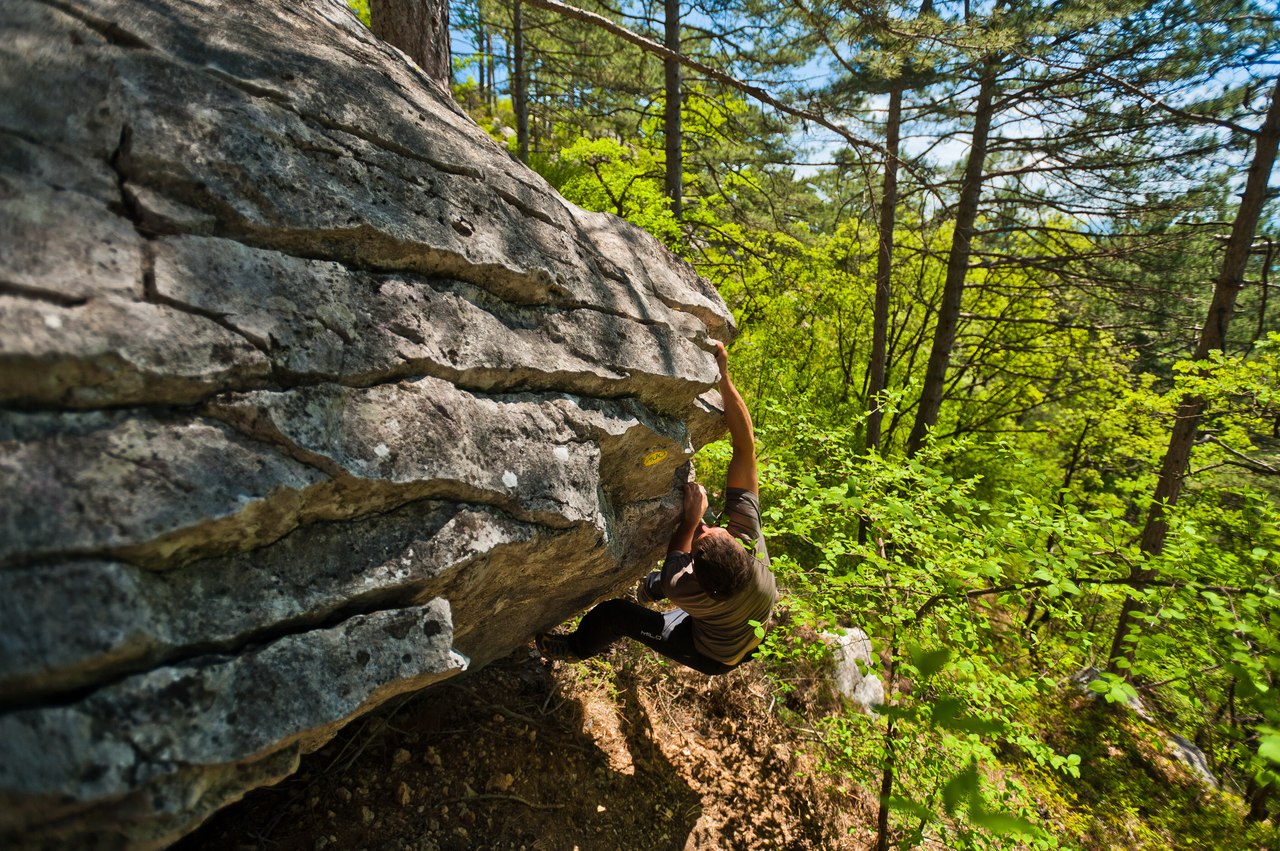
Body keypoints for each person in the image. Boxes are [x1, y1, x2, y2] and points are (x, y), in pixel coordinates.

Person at [535, 341, 777, 675]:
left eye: (702, 537)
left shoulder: (684, 588)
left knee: (614, 614)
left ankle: (576, 647)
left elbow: (678, 554)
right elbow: (744, 446)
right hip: (739, 621)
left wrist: (690, 521)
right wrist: (723, 376)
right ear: (741, 545)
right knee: (664, 587)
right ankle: (651, 589)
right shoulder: (750, 539)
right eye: (714, 530)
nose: (706, 527)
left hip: (709, 652)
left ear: (695, 576)